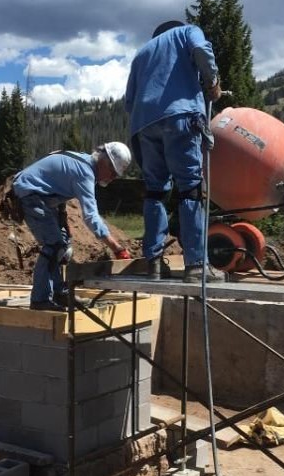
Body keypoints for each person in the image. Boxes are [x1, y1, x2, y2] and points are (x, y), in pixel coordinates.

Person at [125, 20, 224, 281]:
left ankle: (154, 264)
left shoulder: (142, 52)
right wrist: (212, 82)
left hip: (144, 124)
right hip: (180, 115)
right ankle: (196, 265)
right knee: (190, 188)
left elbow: (129, 101)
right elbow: (202, 51)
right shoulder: (187, 31)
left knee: (155, 191)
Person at [12, 142, 132, 311]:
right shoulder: (85, 173)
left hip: (45, 196)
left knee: (64, 247)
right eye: (112, 172)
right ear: (104, 162)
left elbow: (56, 181)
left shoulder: (84, 163)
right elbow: (91, 217)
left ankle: (59, 293)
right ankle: (40, 300)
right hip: (30, 193)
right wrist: (117, 248)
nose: (112, 178)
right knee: (53, 246)